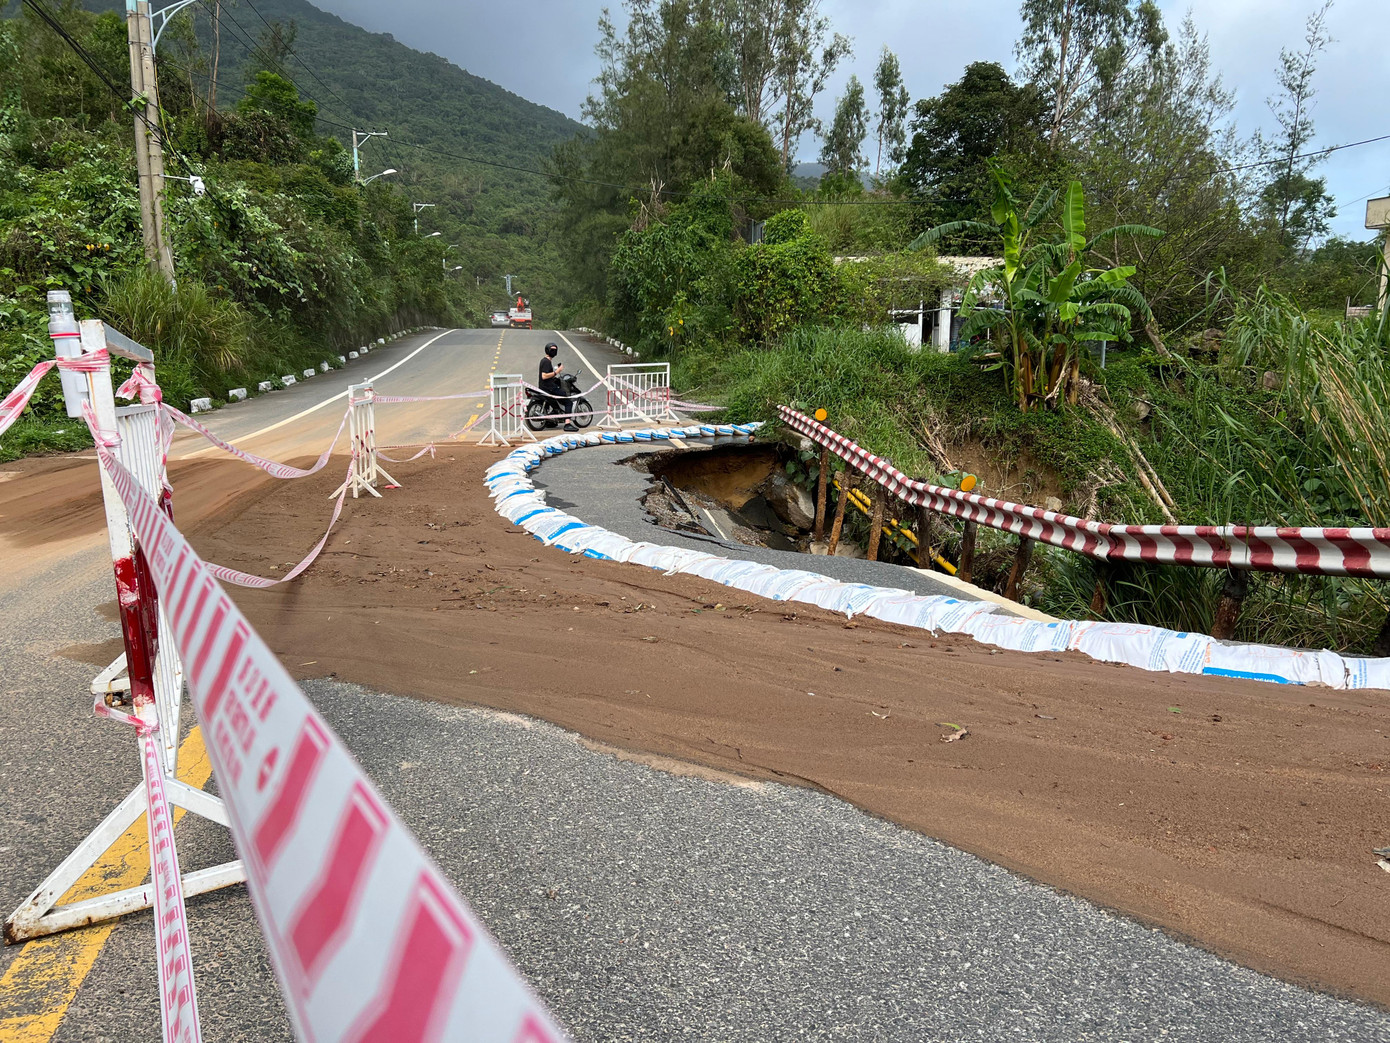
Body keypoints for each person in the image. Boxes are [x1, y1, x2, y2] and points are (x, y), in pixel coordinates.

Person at [538, 342, 577, 431]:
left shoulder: (545, 361)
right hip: (549, 388)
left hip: (545, 387)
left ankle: (551, 420)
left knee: (556, 403)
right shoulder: (546, 361)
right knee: (568, 402)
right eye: (552, 350)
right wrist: (557, 371)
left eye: (555, 350)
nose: (554, 351)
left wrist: (555, 376)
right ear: (547, 350)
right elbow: (544, 376)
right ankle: (567, 424)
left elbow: (548, 375)